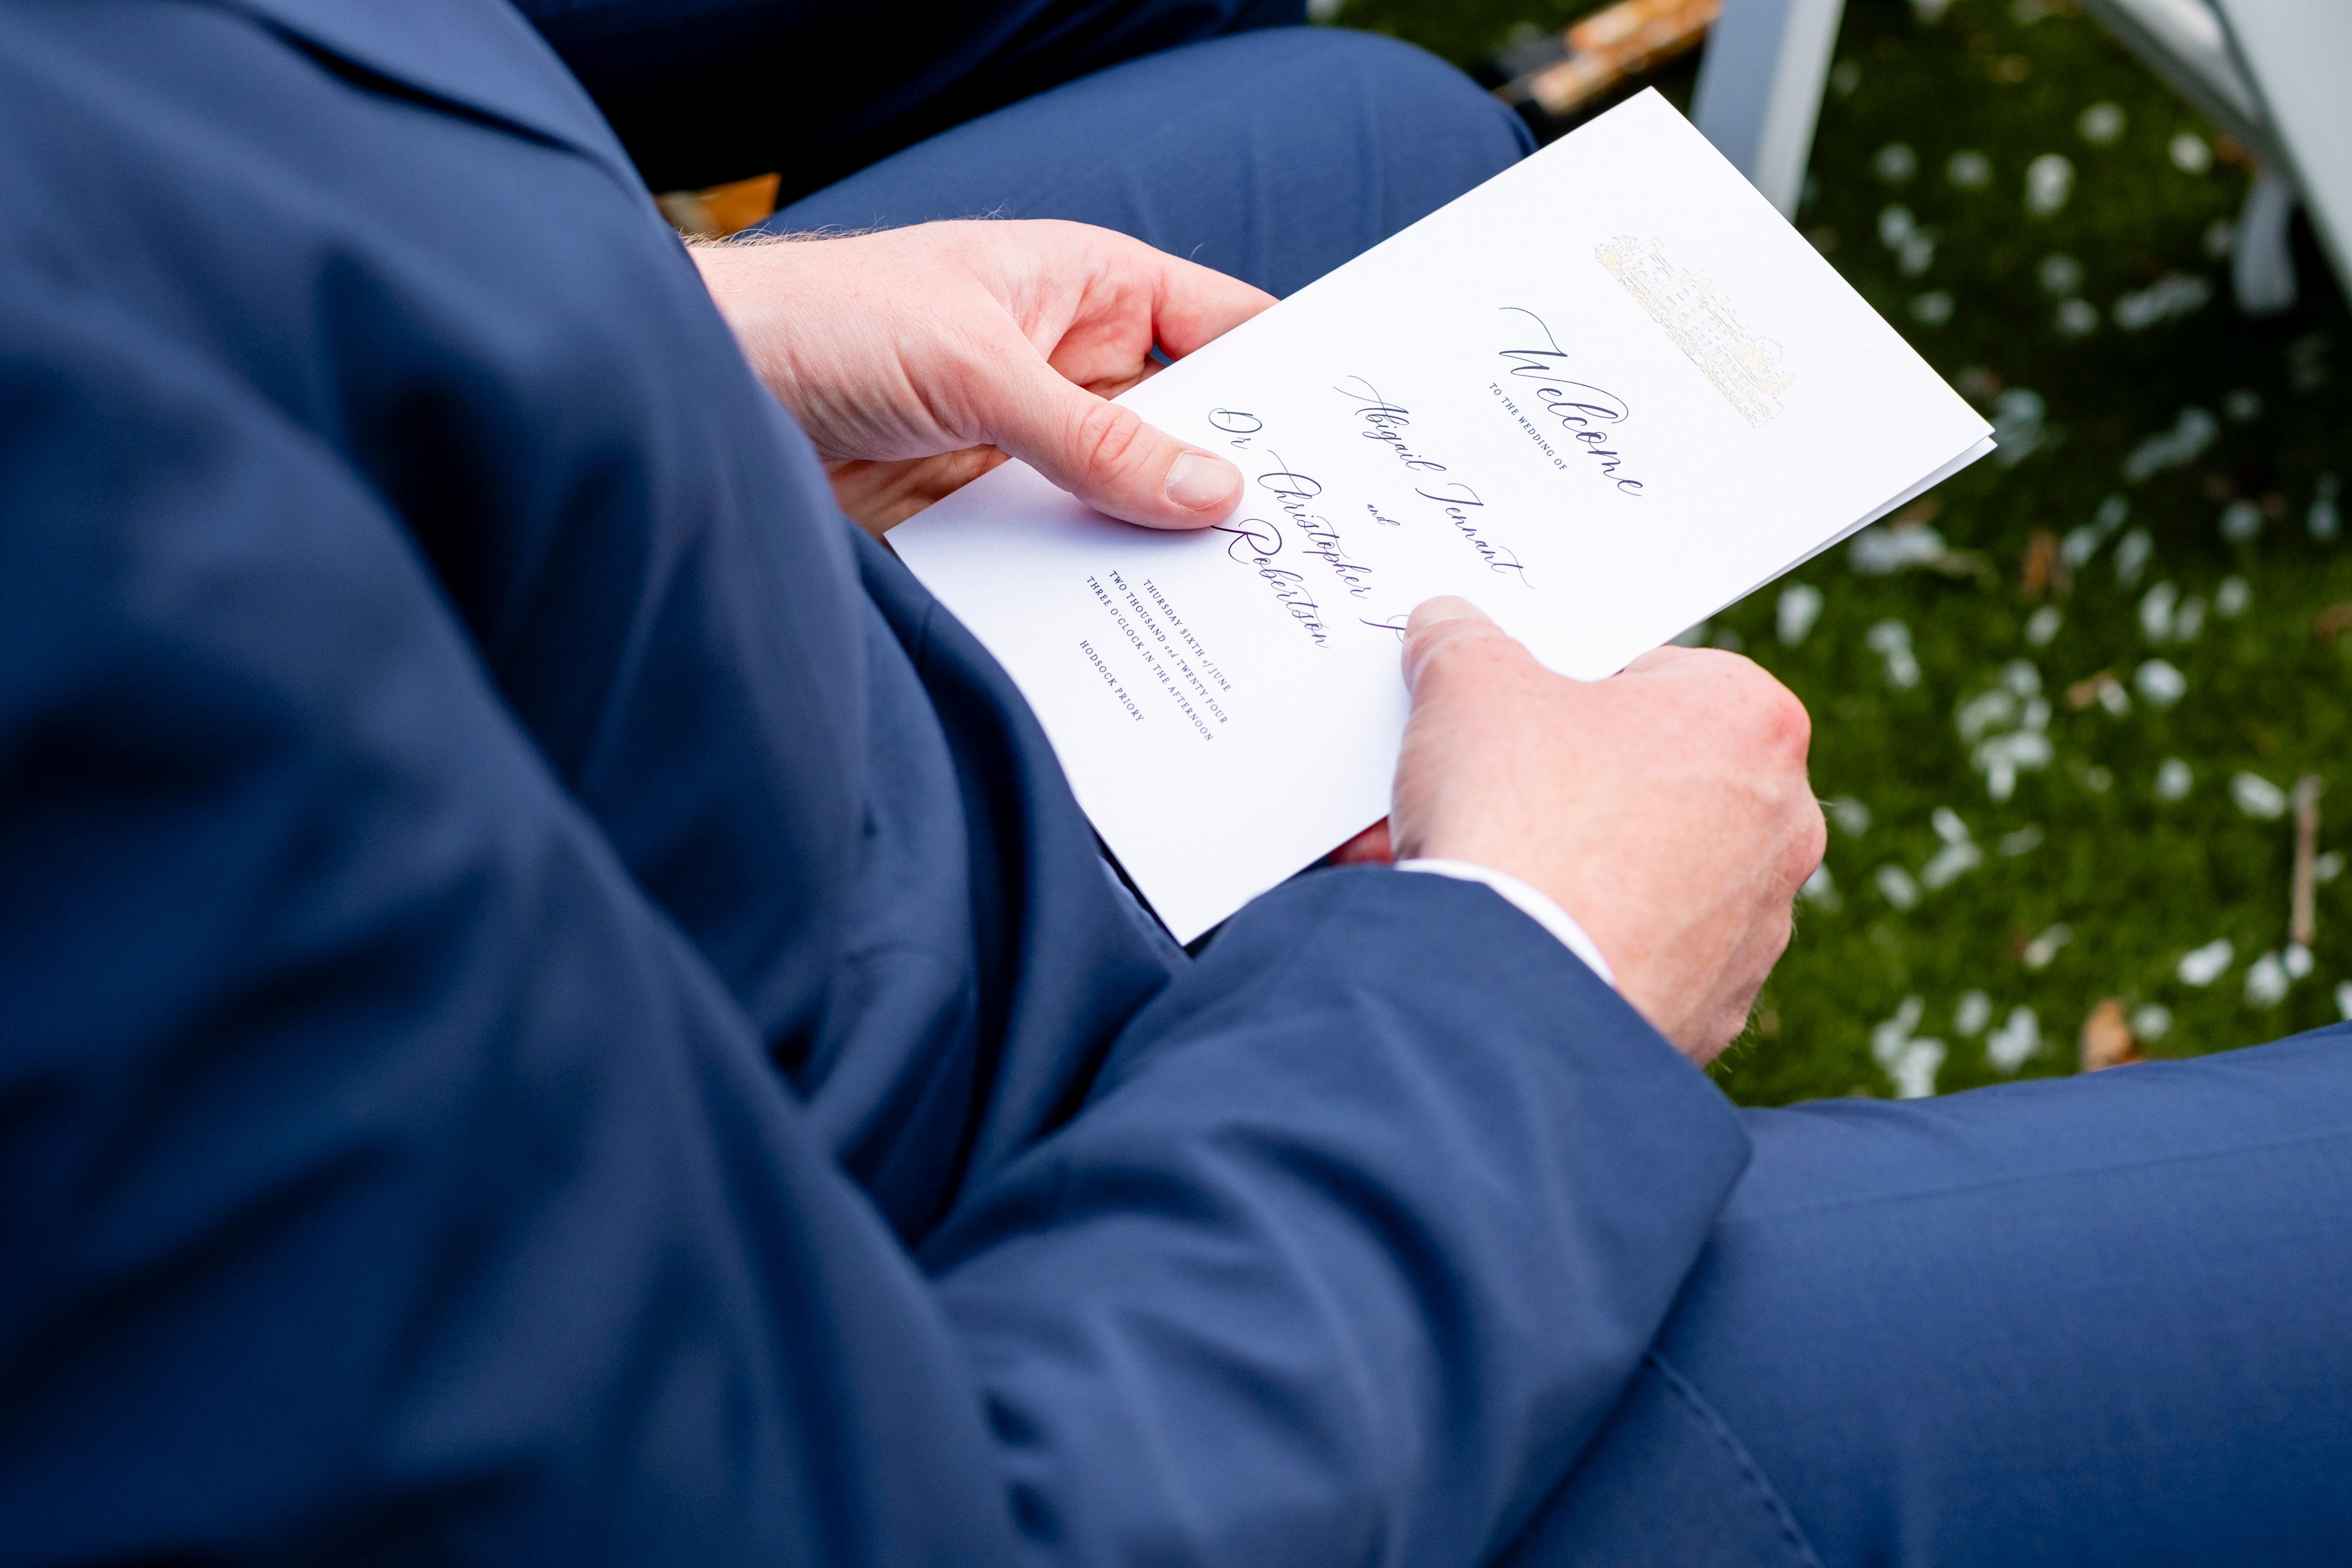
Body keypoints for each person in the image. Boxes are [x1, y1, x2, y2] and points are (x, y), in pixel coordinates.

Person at [0, 3, 2344, 1565]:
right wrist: (1530, 972)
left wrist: (657, 350)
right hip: (973, 1294)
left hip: (745, 761)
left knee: (1388, 155)